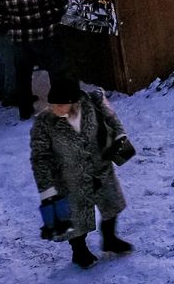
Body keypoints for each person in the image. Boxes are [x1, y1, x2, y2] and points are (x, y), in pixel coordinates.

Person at [30, 77, 133, 269]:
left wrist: (119, 139)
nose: (55, 109)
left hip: (100, 168)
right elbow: (39, 158)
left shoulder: (93, 105)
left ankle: (110, 239)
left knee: (111, 205)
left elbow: (112, 120)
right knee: (76, 218)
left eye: (61, 104)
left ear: (74, 102)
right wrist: (47, 189)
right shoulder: (44, 123)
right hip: (69, 178)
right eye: (53, 104)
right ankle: (79, 250)